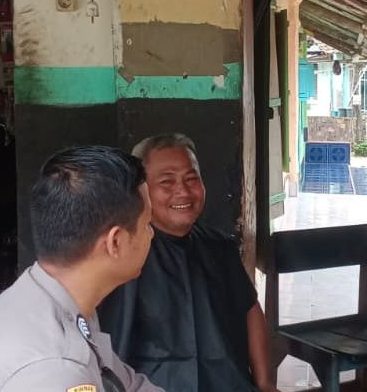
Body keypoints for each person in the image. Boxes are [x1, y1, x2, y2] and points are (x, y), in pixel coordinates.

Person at [0, 145, 164, 392]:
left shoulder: (49, 295)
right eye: (147, 224)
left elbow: (128, 385)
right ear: (115, 242)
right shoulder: (55, 368)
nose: (151, 234)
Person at [99, 133, 279, 392]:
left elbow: (250, 310)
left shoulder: (219, 247)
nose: (183, 191)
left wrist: (265, 383)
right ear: (141, 190)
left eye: (191, 179)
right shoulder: (124, 253)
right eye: (167, 181)